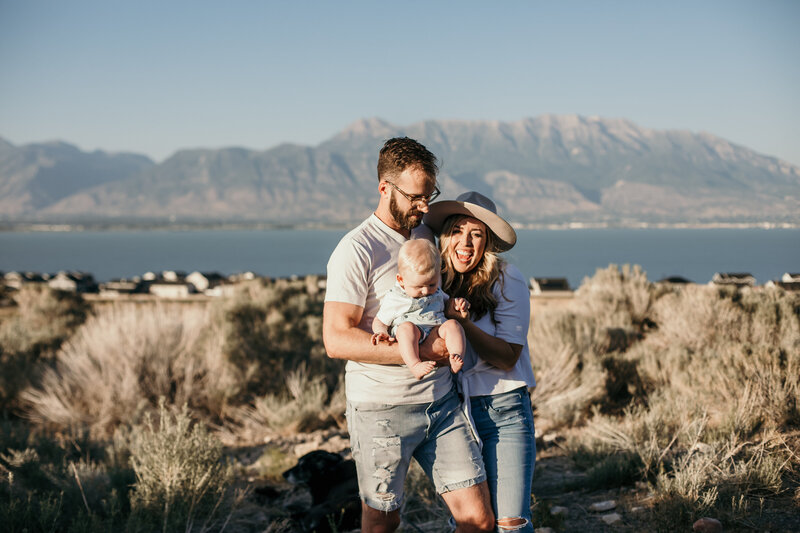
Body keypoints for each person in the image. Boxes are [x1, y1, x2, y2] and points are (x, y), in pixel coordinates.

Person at [323, 138, 494, 533]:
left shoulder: (423, 240)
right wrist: (422, 351)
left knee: (479, 521)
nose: (425, 207)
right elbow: (336, 340)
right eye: (417, 197)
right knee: (384, 522)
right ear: (384, 188)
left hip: (442, 404)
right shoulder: (356, 249)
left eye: (430, 195)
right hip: (382, 412)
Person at [424, 191, 537, 533]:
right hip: (451, 413)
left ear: (487, 241)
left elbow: (508, 357)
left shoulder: (506, 278)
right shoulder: (434, 281)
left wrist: (464, 325)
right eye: (458, 231)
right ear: (445, 236)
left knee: (510, 523)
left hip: (502, 411)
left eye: (476, 234)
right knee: (471, 521)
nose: (466, 242)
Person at [371, 238, 467, 379]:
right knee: (405, 329)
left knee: (453, 325)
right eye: (419, 287)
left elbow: (448, 302)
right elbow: (379, 321)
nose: (426, 291)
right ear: (401, 280)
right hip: (415, 332)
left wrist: (458, 303)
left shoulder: (437, 291)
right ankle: (414, 365)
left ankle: (455, 357)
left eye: (431, 284)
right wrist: (381, 332)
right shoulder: (396, 297)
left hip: (437, 328)